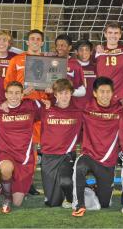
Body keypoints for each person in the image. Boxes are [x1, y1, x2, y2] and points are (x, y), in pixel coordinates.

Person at [72, 76, 123, 217]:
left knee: (104, 204)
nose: (105, 95)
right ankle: (80, 205)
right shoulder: (86, 106)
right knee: (80, 166)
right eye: (101, 91)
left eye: (108, 91)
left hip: (108, 162)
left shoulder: (120, 108)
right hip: (89, 155)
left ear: (112, 93)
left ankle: (92, 188)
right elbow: (65, 100)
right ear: (95, 93)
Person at [4, 29, 49, 195]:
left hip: (41, 106)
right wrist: (22, 93)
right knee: (22, 145)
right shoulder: (16, 60)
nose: (35, 41)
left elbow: (55, 86)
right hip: (22, 107)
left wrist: (50, 91)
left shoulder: (49, 61)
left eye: (38, 39)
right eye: (32, 39)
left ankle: (28, 181)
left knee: (36, 146)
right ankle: (17, 179)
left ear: (42, 43)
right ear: (27, 42)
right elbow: (7, 85)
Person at [0, 81, 42, 213]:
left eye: (17, 93)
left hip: (25, 158)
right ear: (5, 95)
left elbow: (51, 106)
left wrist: (49, 98)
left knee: (18, 203)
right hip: (6, 153)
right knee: (6, 168)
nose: (14, 96)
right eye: (11, 93)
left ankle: (3, 187)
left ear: (22, 95)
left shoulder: (31, 106)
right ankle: (6, 197)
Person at [40, 79, 83, 208]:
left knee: (66, 182)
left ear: (71, 93)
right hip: (48, 156)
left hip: (67, 156)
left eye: (67, 93)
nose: (64, 96)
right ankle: (62, 194)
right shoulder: (45, 108)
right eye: (61, 93)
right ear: (55, 94)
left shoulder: (78, 112)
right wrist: (5, 104)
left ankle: (71, 198)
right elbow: (24, 107)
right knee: (52, 203)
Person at [95, 22, 123, 101]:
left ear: (120, 35)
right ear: (105, 34)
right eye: (110, 33)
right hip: (103, 97)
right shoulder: (98, 51)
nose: (113, 36)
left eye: (116, 33)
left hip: (122, 99)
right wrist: (96, 47)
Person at [73, 39, 96, 109]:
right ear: (76, 52)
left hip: (92, 107)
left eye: (87, 49)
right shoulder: (70, 66)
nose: (84, 52)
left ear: (91, 52)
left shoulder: (96, 67)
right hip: (74, 107)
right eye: (81, 50)